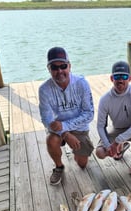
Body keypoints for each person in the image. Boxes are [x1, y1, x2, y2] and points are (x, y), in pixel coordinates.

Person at [39, 47, 94, 185]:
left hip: (79, 126)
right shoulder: (44, 89)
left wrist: (66, 126)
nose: (59, 71)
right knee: (51, 140)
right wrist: (65, 133)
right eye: (54, 67)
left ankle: (77, 153)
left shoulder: (82, 83)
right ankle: (59, 166)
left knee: (82, 164)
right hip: (58, 128)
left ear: (69, 66)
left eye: (63, 66)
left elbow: (89, 114)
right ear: (48, 69)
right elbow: (46, 119)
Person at [96, 61, 131, 176]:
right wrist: (108, 146)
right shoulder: (105, 99)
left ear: (129, 78)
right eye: (117, 76)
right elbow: (100, 126)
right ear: (111, 78)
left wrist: (119, 139)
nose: (120, 80)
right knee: (100, 153)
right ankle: (121, 148)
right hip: (117, 129)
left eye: (124, 76)